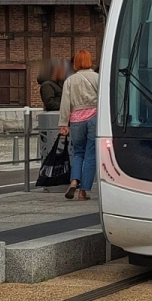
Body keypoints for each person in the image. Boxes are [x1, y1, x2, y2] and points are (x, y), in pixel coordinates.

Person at [59, 50, 100, 200]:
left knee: (77, 153)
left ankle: (74, 181)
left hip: (76, 119)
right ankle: (83, 191)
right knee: (90, 154)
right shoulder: (97, 78)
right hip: (94, 118)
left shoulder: (70, 80)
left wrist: (63, 123)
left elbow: (65, 103)